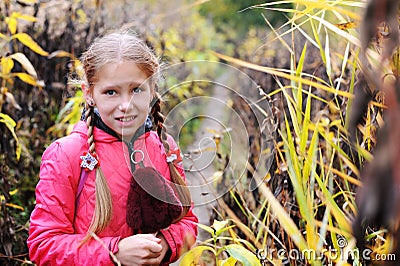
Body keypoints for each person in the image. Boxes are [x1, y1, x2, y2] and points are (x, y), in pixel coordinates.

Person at [27, 29, 198, 265]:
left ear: (152, 90)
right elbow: (43, 245)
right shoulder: (66, 156)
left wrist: (167, 244)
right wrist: (113, 253)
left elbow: (187, 220)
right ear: (89, 94)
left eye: (136, 89)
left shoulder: (165, 148)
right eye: (111, 92)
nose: (125, 105)